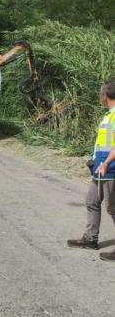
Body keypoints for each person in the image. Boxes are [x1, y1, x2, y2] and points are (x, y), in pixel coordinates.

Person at [67, 80, 115, 260]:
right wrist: (95, 160)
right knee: (92, 200)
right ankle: (90, 238)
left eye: (100, 94)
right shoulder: (108, 116)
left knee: (113, 208)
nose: (99, 97)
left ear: (105, 96)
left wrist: (106, 162)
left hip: (111, 169)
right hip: (100, 168)